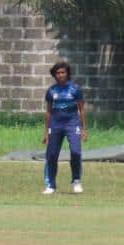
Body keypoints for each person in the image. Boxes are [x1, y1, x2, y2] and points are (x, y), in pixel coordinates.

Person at [41, 60, 87, 195]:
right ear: (55, 75)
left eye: (63, 72)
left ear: (67, 74)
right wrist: (46, 132)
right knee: (52, 154)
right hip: (56, 124)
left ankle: (76, 181)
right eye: (58, 73)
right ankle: (50, 185)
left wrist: (84, 128)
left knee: (76, 152)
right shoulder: (51, 91)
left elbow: (82, 109)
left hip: (72, 123)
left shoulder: (75, 89)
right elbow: (49, 112)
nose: (60, 75)